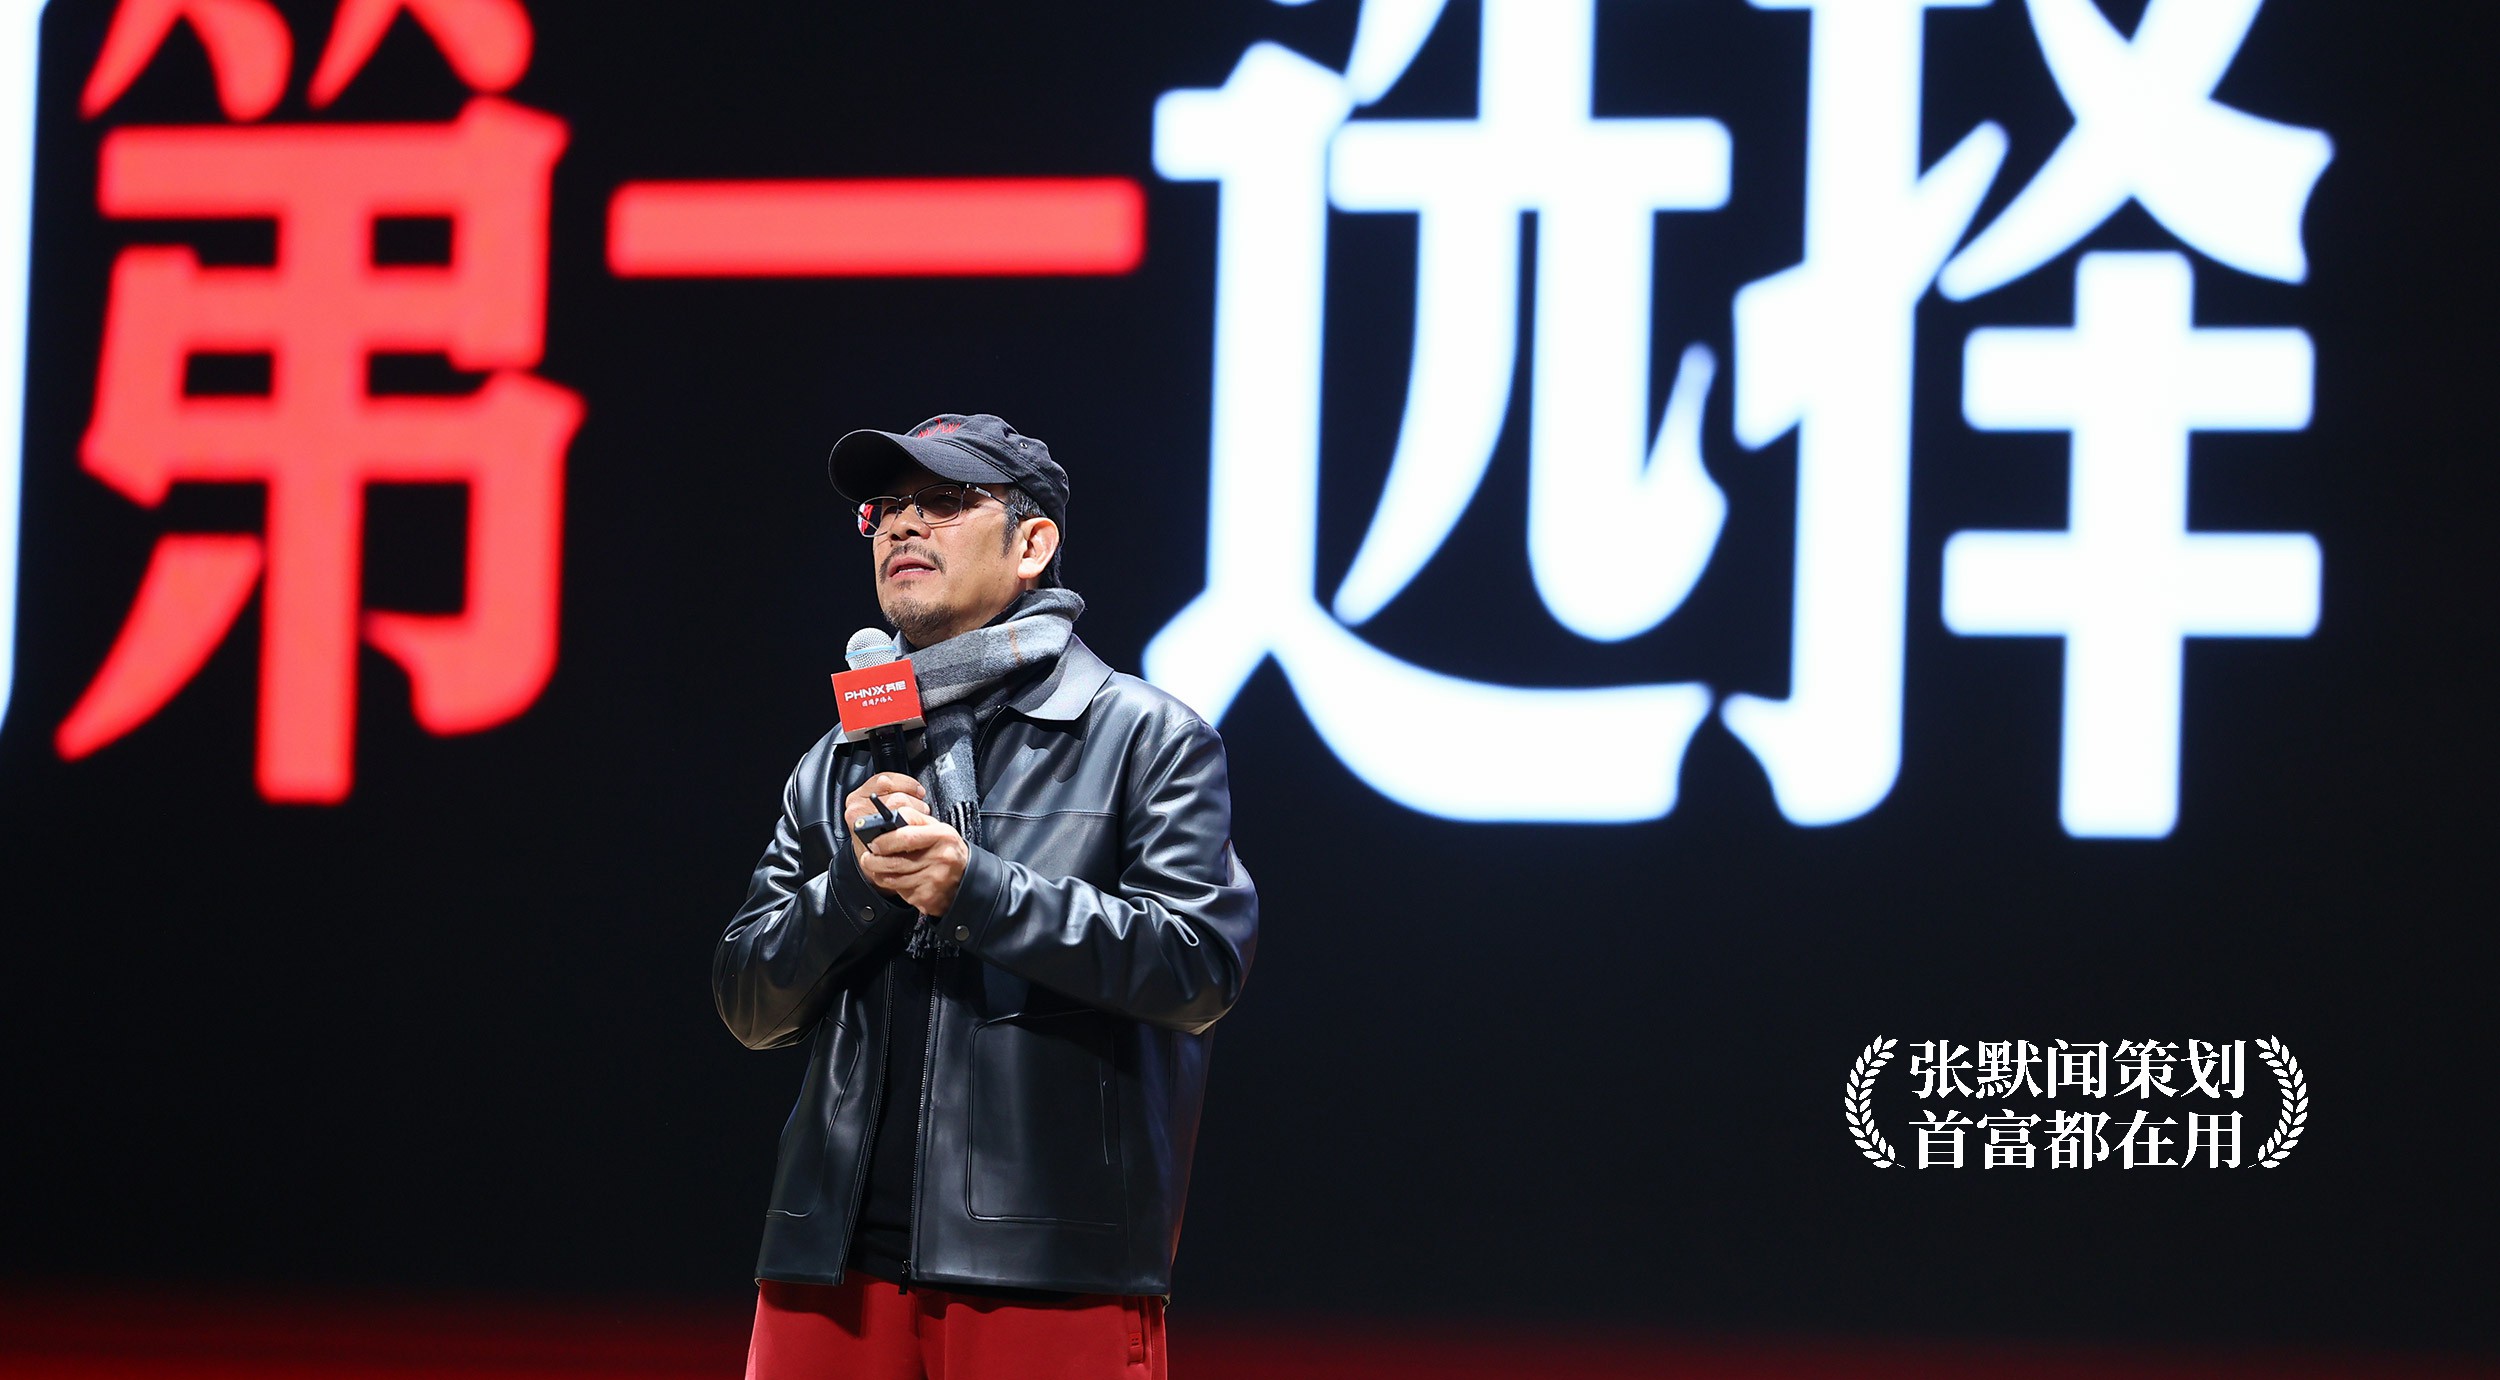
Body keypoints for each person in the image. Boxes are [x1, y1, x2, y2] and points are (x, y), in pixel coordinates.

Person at [714, 413, 1258, 1380]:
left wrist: (978, 891)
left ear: (1032, 544)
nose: (901, 525)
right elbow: (749, 1002)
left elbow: (1198, 969)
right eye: (885, 508)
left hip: (1044, 1268)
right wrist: (855, 888)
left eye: (944, 502)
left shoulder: (1145, 736)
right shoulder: (839, 758)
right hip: (827, 1270)